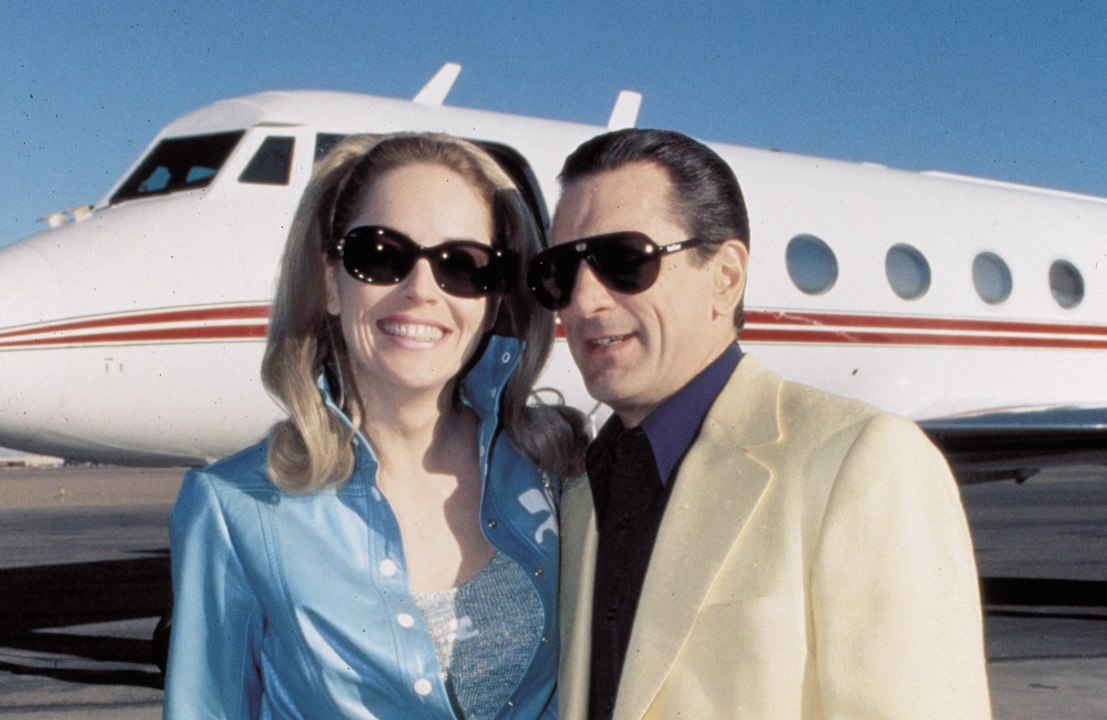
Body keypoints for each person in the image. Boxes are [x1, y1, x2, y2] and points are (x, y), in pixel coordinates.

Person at [528, 129, 992, 719]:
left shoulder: (864, 461)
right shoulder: (580, 491)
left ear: (725, 276)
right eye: (560, 271)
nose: (583, 301)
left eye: (625, 261)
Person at [164, 132, 586, 719]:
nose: (421, 291)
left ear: (493, 301)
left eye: (463, 266)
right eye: (382, 255)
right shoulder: (235, 507)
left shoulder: (557, 472)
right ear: (331, 283)